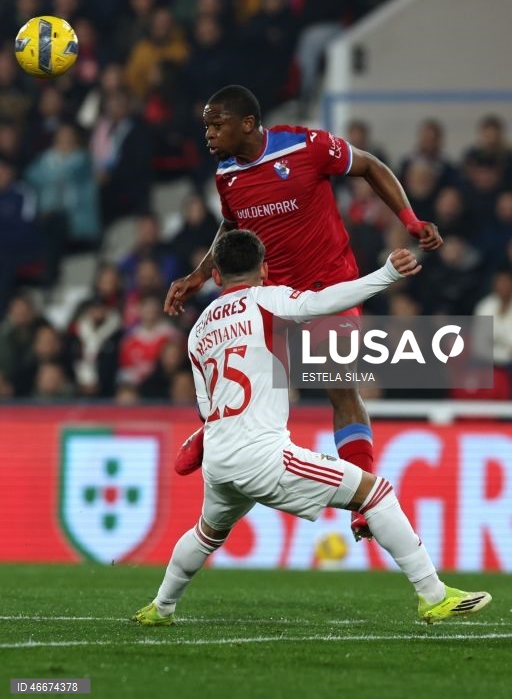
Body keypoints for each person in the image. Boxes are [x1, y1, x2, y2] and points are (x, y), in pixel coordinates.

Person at [133, 230, 490, 626]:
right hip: (261, 454)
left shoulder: (198, 329)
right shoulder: (268, 298)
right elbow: (325, 301)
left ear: (215, 276)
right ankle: (433, 595)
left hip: (219, 454)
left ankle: (160, 607)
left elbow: (206, 408)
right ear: (265, 269)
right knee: (377, 494)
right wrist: (387, 273)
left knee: (206, 534)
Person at [165, 84, 443, 541]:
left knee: (338, 385)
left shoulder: (307, 146)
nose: (209, 135)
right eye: (207, 127)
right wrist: (199, 274)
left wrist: (409, 220)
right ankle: (211, 431)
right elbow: (233, 225)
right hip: (269, 291)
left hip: (329, 284)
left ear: (248, 124)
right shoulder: (226, 173)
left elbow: (370, 166)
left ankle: (362, 506)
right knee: (241, 376)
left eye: (217, 125)